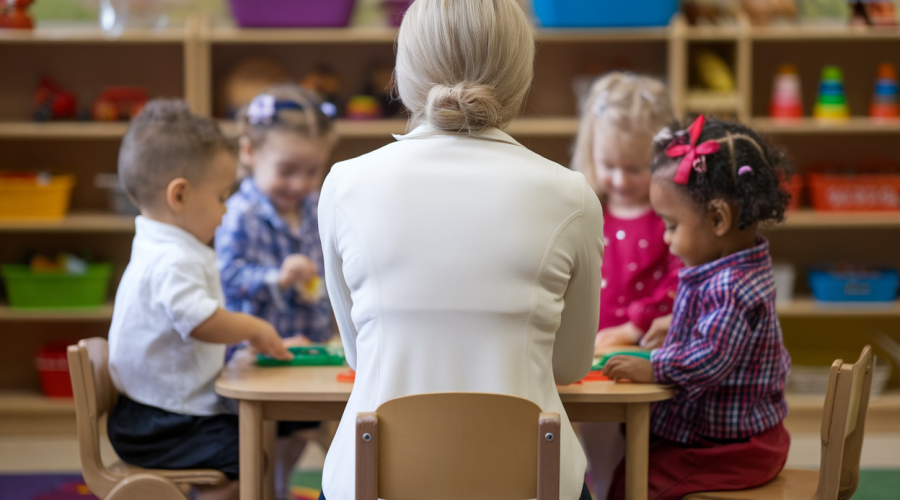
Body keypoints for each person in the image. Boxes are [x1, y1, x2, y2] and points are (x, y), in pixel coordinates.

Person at [317, 1, 604, 499]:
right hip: (533, 482)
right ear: (521, 72)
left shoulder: (344, 185)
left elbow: (359, 354)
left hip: (370, 482)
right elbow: (571, 366)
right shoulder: (571, 195)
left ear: (405, 70)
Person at [106, 99, 291, 500]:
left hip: (156, 413)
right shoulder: (173, 258)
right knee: (248, 455)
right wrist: (255, 329)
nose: (225, 212)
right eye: (222, 196)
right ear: (180, 196)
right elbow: (200, 321)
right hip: (158, 424)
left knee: (250, 437)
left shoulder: (162, 245)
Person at [603, 115, 793, 500]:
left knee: (632, 482)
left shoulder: (732, 285)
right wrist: (678, 323)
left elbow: (710, 358)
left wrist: (654, 366)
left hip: (733, 449)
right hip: (731, 439)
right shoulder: (732, 270)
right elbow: (726, 331)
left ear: (718, 218)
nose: (667, 239)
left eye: (672, 225)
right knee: (634, 445)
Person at [215, 84, 338, 500]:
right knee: (261, 443)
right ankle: (265, 486)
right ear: (248, 153)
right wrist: (277, 276)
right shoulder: (239, 214)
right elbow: (227, 276)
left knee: (299, 434)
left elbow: (325, 276)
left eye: (311, 170)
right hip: (257, 358)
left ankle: (284, 483)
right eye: (287, 170)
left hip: (307, 347)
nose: (299, 183)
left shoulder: (314, 207)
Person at [570, 72, 682, 499]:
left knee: (636, 459)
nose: (618, 179)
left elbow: (680, 278)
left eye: (633, 168)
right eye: (609, 165)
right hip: (591, 356)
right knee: (591, 451)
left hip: (644, 355)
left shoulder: (667, 215)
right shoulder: (587, 209)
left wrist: (634, 327)